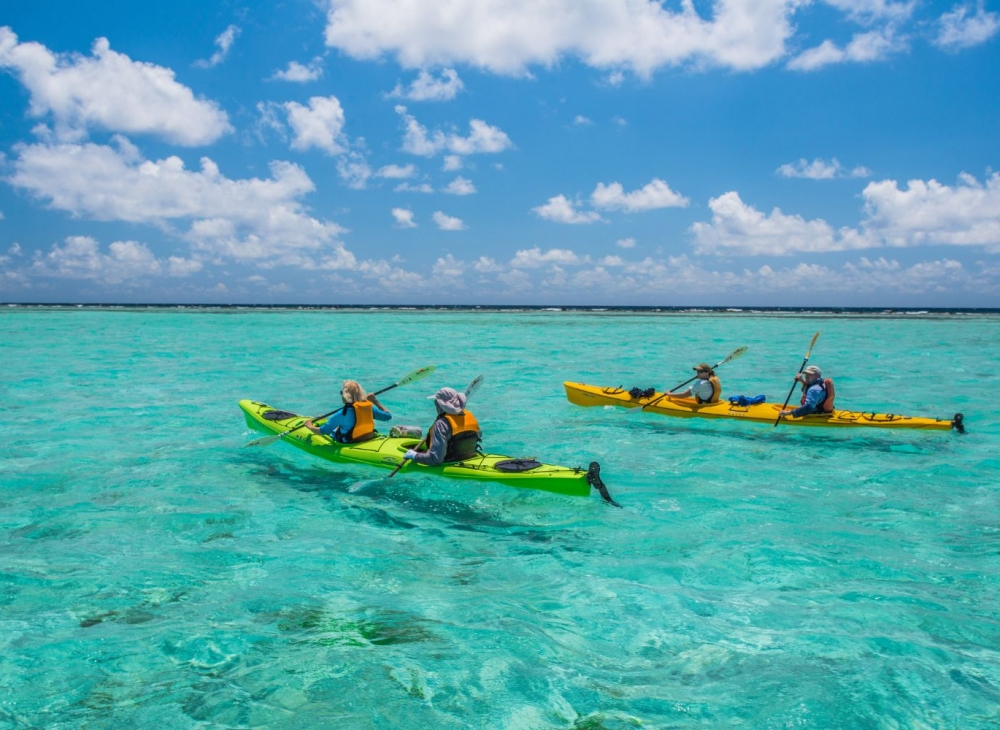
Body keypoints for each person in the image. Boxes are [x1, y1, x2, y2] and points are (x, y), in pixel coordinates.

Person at [403, 387, 481, 466]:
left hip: (450, 460)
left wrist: (414, 455)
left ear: (440, 405)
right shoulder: (469, 415)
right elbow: (477, 435)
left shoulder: (441, 424)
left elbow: (436, 459)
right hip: (470, 456)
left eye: (436, 402)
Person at [302, 379, 391, 443]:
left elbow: (322, 431)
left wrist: (310, 426)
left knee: (330, 427)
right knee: (337, 424)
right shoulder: (369, 408)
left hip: (350, 440)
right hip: (367, 436)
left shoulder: (342, 414)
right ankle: (326, 421)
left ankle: (323, 422)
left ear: (345, 396)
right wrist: (375, 401)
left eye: (342, 392)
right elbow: (388, 416)